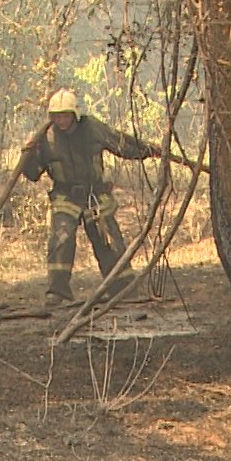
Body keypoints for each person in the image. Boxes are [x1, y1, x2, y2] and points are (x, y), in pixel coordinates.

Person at [18, 87, 162, 303]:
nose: (61, 121)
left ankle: (122, 290)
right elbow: (33, 174)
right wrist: (28, 155)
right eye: (57, 117)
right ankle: (58, 293)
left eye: (65, 116)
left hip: (95, 195)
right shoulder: (46, 138)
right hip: (65, 197)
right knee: (61, 239)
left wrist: (149, 150)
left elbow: (120, 143)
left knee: (109, 241)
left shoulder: (92, 128)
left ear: (75, 114)